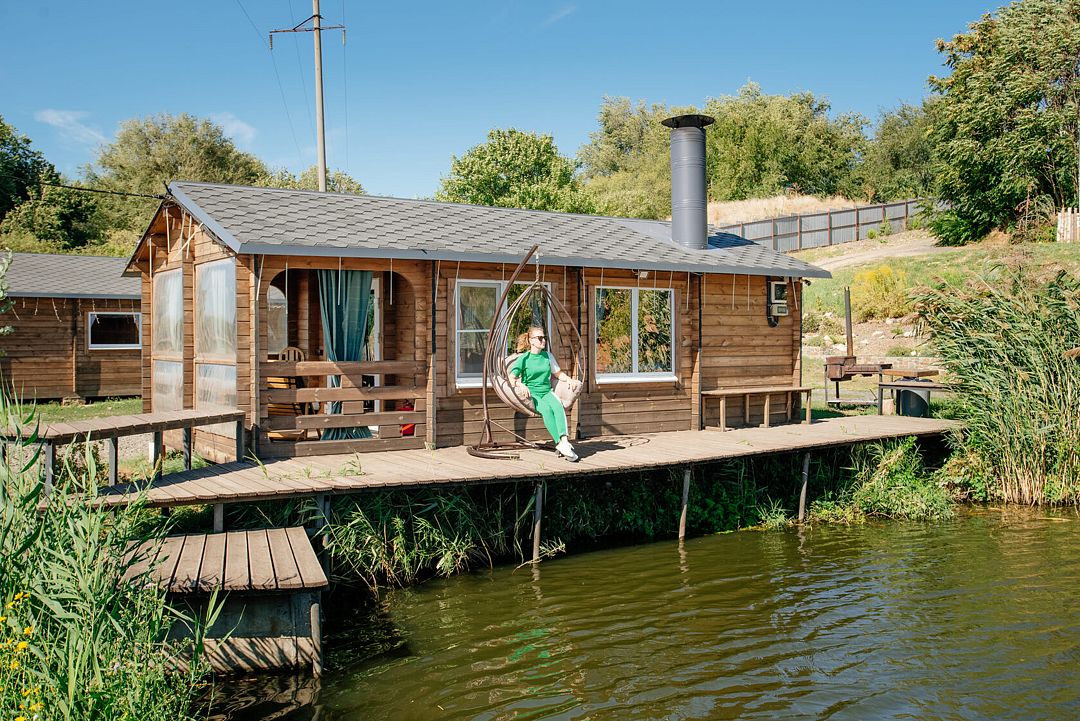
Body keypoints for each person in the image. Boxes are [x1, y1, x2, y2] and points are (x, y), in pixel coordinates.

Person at [509, 326, 580, 462]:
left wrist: (569, 379)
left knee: (558, 407)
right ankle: (559, 443)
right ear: (531, 341)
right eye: (540, 338)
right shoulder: (524, 358)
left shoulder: (548, 356)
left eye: (544, 338)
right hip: (533, 394)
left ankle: (564, 441)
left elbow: (558, 374)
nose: (543, 341)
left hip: (547, 391)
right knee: (546, 410)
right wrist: (521, 384)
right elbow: (512, 378)